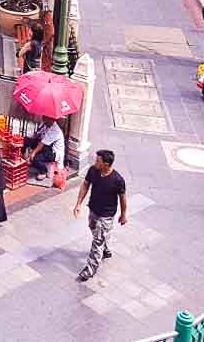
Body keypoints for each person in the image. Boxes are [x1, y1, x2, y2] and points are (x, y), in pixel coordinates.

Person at [74, 150, 128, 282]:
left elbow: (122, 198)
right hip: (93, 209)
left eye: (98, 161)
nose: (95, 163)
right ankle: (105, 248)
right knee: (94, 230)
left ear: (106, 164)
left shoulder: (118, 180)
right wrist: (78, 204)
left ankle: (90, 269)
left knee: (97, 240)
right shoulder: (93, 171)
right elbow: (85, 185)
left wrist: (123, 214)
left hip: (106, 215)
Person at [23, 115, 65, 180]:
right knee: (25, 140)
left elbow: (42, 143)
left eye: (46, 119)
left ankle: (43, 171)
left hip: (53, 152)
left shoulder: (55, 130)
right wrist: (36, 134)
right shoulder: (45, 124)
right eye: (43, 118)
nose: (44, 120)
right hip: (45, 147)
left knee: (35, 158)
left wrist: (33, 153)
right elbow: (37, 136)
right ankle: (22, 158)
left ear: (52, 120)